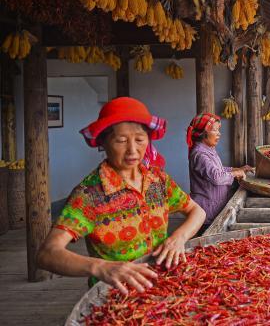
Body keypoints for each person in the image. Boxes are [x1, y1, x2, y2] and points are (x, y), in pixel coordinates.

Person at [37, 97, 206, 295]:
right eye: (121, 141)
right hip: (117, 294)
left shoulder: (157, 179)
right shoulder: (89, 195)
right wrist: (100, 267)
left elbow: (197, 211)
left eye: (140, 140)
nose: (132, 150)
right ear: (103, 142)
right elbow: (47, 254)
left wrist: (179, 237)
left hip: (163, 284)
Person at [186, 113, 253, 232]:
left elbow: (218, 169)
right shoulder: (200, 154)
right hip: (206, 211)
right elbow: (217, 177)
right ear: (203, 133)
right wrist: (235, 174)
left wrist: (237, 169)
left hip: (215, 208)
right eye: (214, 130)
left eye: (218, 130)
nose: (219, 133)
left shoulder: (209, 149)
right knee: (206, 242)